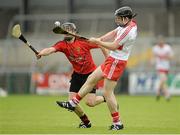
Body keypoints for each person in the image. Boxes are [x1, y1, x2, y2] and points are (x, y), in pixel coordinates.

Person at [57, 6, 137, 130]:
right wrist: (100, 39)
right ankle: (73, 103)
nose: (116, 21)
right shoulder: (125, 25)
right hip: (112, 59)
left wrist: (99, 42)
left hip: (117, 61)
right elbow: (114, 32)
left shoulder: (129, 31)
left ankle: (117, 123)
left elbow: (114, 45)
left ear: (126, 18)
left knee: (107, 93)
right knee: (91, 78)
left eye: (118, 19)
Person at [37, 22, 106, 128]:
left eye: (68, 30)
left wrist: (108, 57)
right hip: (77, 75)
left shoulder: (84, 42)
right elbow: (50, 50)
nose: (66, 33)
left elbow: (101, 43)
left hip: (90, 75)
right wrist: (41, 52)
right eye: (64, 31)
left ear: (74, 32)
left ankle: (105, 98)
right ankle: (86, 122)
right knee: (72, 103)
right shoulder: (62, 44)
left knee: (90, 103)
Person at [152, 36, 174, 101]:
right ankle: (166, 95)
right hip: (159, 66)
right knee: (163, 79)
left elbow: (171, 56)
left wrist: (166, 57)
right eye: (159, 41)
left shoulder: (167, 47)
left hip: (166, 66)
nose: (160, 42)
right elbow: (154, 56)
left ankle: (159, 93)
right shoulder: (155, 48)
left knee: (163, 81)